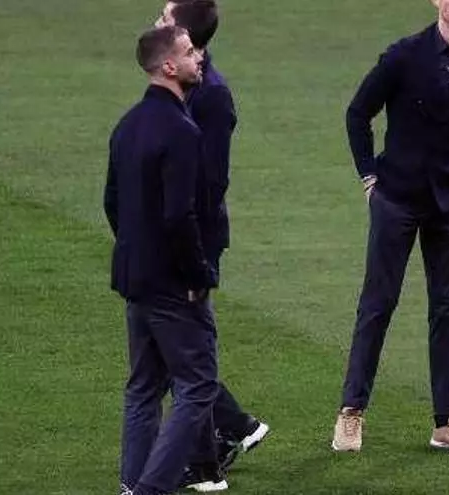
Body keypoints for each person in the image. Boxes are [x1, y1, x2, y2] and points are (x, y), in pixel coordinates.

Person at [332, 0, 449, 455]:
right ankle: (351, 411)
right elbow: (358, 113)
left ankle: (447, 422)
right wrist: (369, 179)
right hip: (398, 199)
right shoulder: (403, 56)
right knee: (378, 304)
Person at [104, 26, 225, 495]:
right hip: (173, 284)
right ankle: (151, 490)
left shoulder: (127, 124)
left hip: (134, 276)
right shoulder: (181, 131)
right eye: (190, 52)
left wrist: (138, 248)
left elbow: (112, 202)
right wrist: (197, 274)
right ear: (169, 66)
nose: (199, 58)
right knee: (197, 386)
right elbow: (179, 215)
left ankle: (131, 485)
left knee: (143, 387)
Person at [155, 0, 270, 472]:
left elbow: (211, 181)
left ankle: (226, 435)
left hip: (193, 238)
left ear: (185, 34)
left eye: (164, 17)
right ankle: (219, 440)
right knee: (175, 346)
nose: (157, 22)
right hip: (174, 231)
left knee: (181, 348)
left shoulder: (212, 96)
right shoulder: (179, 83)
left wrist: (191, 253)